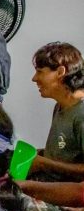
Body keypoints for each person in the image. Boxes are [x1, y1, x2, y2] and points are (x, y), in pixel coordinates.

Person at [28, 41, 84, 182]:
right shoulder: (60, 106)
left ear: (60, 72)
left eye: (40, 72)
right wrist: (37, 156)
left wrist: (43, 163)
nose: (34, 78)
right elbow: (64, 153)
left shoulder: (81, 114)